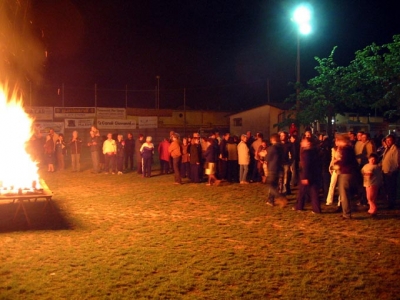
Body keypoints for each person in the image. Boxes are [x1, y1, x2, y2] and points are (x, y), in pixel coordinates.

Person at [293, 137, 321, 213]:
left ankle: (299, 207)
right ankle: (316, 209)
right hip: (314, 174)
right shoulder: (314, 151)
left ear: (308, 143)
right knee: (313, 191)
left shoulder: (307, 153)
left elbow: (306, 165)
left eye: (303, 141)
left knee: (302, 191)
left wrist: (305, 177)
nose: (302, 142)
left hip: (307, 174)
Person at [334, 134, 358, 219]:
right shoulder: (349, 149)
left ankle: (347, 213)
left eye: (338, 140)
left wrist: (336, 164)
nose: (337, 142)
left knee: (344, 193)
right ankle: (347, 211)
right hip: (348, 172)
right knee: (345, 193)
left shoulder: (346, 150)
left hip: (346, 173)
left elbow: (344, 161)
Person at [265, 134, 287, 207]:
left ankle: (280, 196)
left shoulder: (272, 148)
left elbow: (267, 158)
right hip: (279, 168)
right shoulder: (282, 147)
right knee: (274, 185)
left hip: (273, 168)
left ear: (272, 140)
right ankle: (270, 200)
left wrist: (263, 154)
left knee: (270, 185)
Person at [380, 134, 400, 209]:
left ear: (393, 141)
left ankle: (392, 203)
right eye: (387, 140)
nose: (388, 142)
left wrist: (392, 170)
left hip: (391, 172)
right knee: (387, 188)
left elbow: (396, 161)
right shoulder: (387, 148)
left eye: (389, 140)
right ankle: (389, 202)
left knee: (391, 188)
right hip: (385, 171)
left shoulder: (395, 149)